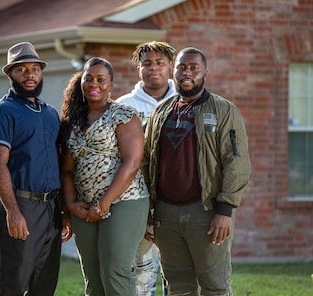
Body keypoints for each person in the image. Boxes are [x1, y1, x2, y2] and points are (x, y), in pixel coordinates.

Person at [142, 47, 251, 296]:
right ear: (174, 71)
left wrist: (225, 210)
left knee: (214, 286)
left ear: (205, 73)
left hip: (206, 213)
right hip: (165, 214)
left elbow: (237, 162)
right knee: (178, 288)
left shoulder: (224, 110)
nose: (187, 72)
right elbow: (147, 161)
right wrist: (148, 208)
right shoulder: (161, 111)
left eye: (194, 68)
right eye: (182, 67)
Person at [0, 41, 71, 296]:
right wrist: (12, 212)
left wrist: (63, 210)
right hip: (20, 204)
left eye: (35, 68)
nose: (30, 74)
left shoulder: (50, 113)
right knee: (13, 284)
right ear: (10, 74)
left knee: (45, 284)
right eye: (22, 69)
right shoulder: (1, 113)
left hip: (50, 208)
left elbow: (57, 162)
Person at [59, 57, 150, 296]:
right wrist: (69, 204)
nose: (94, 84)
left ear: (111, 84)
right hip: (83, 206)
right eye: (88, 78)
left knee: (114, 271)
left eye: (101, 79)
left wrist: (104, 203)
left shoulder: (123, 115)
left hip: (123, 202)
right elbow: (67, 169)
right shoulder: (73, 122)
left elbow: (132, 163)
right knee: (93, 275)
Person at [117, 40, 176, 296]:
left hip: (178, 204)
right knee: (142, 277)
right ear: (138, 68)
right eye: (147, 63)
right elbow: (117, 161)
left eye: (160, 63)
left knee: (178, 276)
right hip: (137, 202)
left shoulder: (187, 103)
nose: (154, 68)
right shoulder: (123, 106)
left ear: (171, 67)